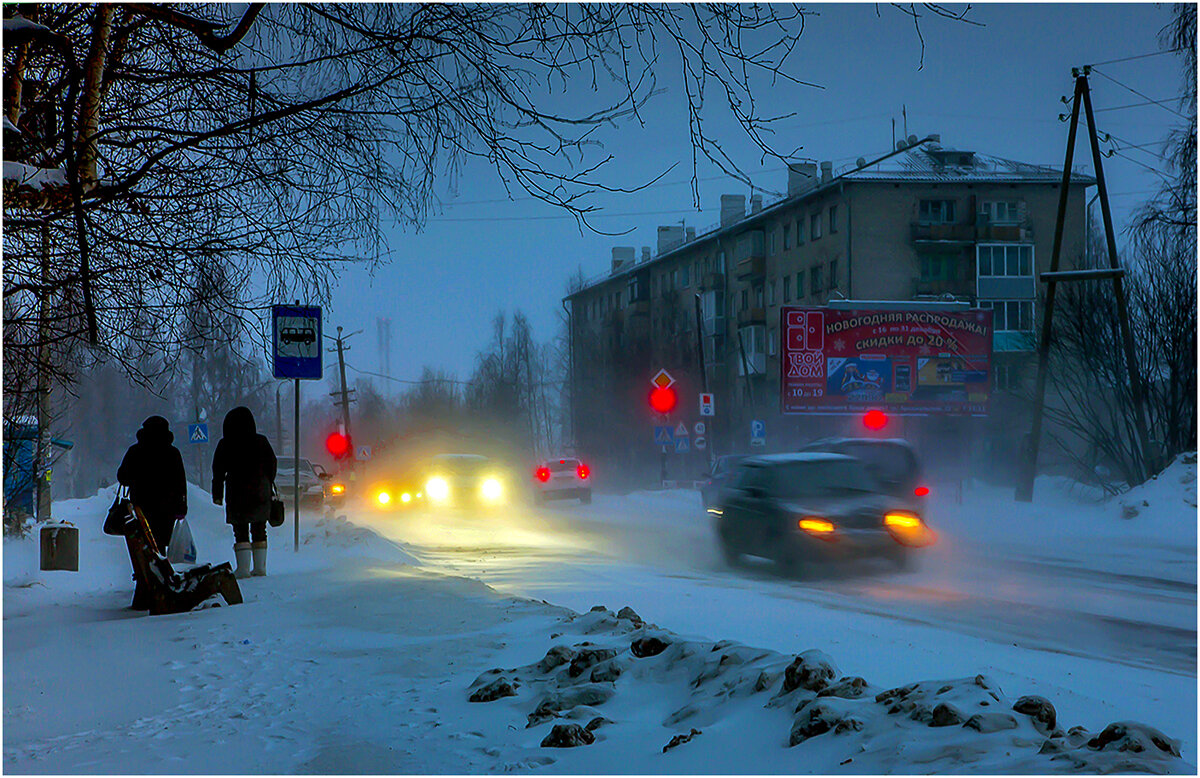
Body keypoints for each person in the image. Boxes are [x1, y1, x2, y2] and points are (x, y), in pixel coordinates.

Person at [116, 415, 187, 609]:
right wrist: (182, 506)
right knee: (160, 548)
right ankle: (160, 588)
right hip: (167, 510)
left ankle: (144, 590)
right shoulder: (172, 453)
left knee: (143, 549)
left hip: (142, 509)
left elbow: (122, 477)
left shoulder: (136, 451)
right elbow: (181, 481)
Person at [211, 407, 277, 578]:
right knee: (259, 527)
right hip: (260, 489)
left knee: (240, 529)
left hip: (237, 491)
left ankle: (243, 569)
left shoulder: (226, 443)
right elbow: (272, 464)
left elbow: (217, 470)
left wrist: (217, 494)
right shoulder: (261, 441)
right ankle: (260, 568)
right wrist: (267, 482)